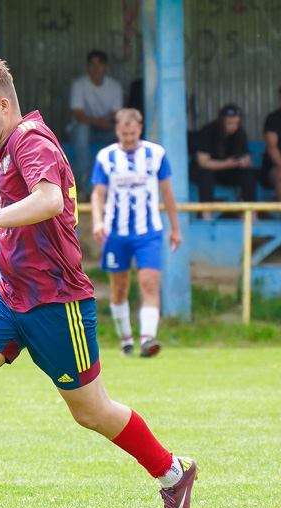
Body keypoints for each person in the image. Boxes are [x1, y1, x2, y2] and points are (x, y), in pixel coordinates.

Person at [0, 58, 198, 508]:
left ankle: (172, 472)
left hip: (58, 303)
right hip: (11, 296)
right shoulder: (4, 147)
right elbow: (17, 212)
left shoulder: (31, 140)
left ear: (3, 104)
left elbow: (49, 201)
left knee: (90, 411)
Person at [90, 108, 182, 358]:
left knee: (149, 283)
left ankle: (147, 340)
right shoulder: (106, 157)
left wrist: (175, 228)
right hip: (116, 234)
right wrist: (98, 222)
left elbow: (167, 192)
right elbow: (98, 194)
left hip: (149, 232)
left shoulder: (156, 154)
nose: (128, 138)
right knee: (119, 288)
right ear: (117, 131)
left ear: (139, 129)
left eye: (132, 133)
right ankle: (126, 340)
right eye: (123, 133)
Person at [69, 50, 123, 199]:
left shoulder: (114, 86)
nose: (95, 68)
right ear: (87, 67)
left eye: (99, 65)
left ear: (106, 67)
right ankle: (87, 184)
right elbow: (78, 116)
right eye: (92, 65)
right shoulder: (79, 84)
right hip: (84, 127)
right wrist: (98, 121)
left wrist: (107, 122)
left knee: (122, 133)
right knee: (82, 131)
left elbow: (117, 115)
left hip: (106, 128)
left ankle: (117, 187)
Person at [194, 104, 257, 217]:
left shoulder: (239, 133)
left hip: (227, 171)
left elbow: (246, 157)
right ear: (221, 121)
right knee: (206, 176)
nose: (233, 126)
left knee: (249, 174)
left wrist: (244, 162)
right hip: (206, 170)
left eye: (236, 123)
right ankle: (206, 215)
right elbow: (203, 162)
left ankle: (251, 214)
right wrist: (226, 164)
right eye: (229, 123)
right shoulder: (208, 131)